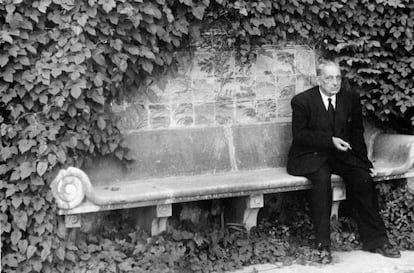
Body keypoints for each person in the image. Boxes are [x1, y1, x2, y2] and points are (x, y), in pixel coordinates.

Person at [287, 59, 401, 263]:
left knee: (362, 178)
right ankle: (322, 245)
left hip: (340, 155)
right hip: (311, 156)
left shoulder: (349, 99)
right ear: (318, 80)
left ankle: (377, 241)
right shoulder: (302, 101)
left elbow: (356, 134)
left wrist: (364, 163)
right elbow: (300, 135)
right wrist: (329, 141)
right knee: (322, 183)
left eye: (338, 77)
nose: (335, 82)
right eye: (329, 78)